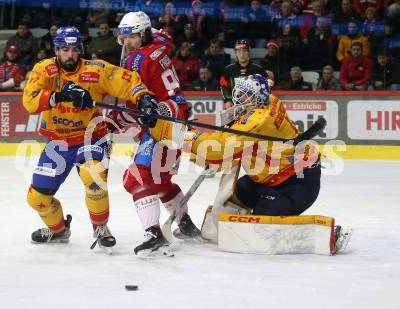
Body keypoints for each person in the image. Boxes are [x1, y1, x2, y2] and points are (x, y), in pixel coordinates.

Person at [22, 26, 155, 253]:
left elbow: (128, 81)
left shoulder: (96, 70)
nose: (70, 55)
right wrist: (61, 95)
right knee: (37, 198)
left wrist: (143, 98)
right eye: (64, 49)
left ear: (80, 49)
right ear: (57, 50)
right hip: (58, 143)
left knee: (92, 176)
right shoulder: (44, 70)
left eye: (74, 49)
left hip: (91, 137)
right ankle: (59, 230)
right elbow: (29, 101)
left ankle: (100, 228)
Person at [116, 11, 201, 256]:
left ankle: (153, 233)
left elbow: (135, 104)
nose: (126, 43)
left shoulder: (136, 61)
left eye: (132, 37)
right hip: (177, 117)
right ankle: (185, 225)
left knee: (136, 179)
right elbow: (164, 37)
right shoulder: (161, 44)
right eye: (124, 37)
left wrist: (115, 118)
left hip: (161, 124)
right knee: (161, 181)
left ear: (143, 34)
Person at [187, 74, 321, 224]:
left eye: (246, 95)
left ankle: (303, 232)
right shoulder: (269, 99)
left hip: (297, 183)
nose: (240, 98)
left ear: (257, 98)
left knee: (260, 224)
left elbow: (219, 150)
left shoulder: (258, 122)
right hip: (276, 175)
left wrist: (189, 138)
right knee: (240, 190)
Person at [220, 39, 268, 110]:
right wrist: (227, 100)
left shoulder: (259, 69)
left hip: (255, 106)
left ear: (249, 52)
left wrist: (261, 100)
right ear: (235, 53)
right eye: (238, 51)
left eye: (244, 51)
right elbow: (224, 87)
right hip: (234, 107)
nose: (242, 54)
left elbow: (267, 87)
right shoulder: (228, 70)